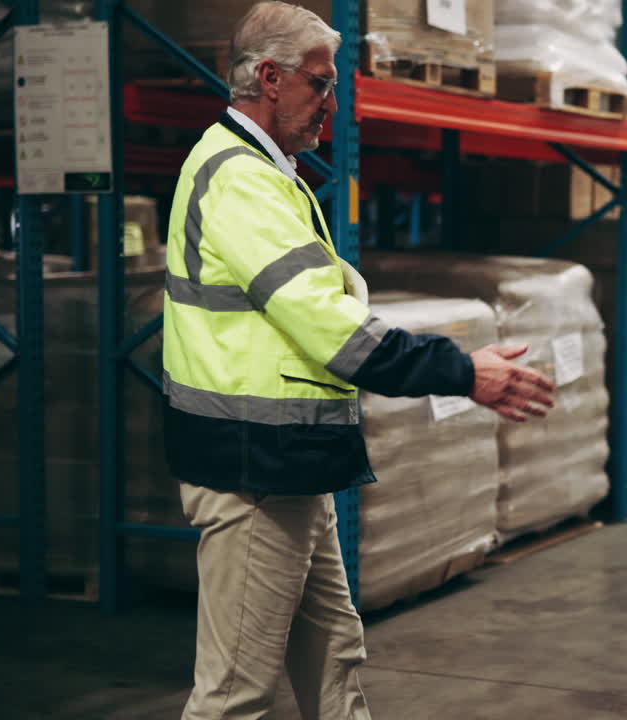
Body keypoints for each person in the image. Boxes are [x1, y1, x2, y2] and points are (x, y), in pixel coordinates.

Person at [161, 3, 556, 718]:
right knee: (234, 694)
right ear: (271, 79)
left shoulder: (267, 171)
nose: (332, 104)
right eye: (321, 84)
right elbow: (334, 331)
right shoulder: (239, 180)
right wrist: (464, 372)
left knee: (336, 657)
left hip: (292, 461)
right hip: (252, 467)